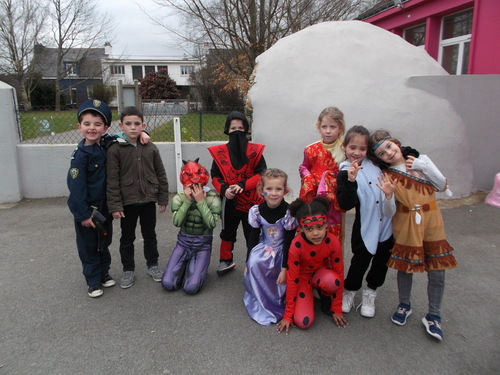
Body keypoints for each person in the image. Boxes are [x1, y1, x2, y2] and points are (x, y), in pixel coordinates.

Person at [371, 129, 457, 341]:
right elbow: (388, 212)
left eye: (389, 147)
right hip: (405, 224)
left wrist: (422, 166)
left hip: (432, 222)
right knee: (405, 267)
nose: (388, 153)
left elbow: (442, 185)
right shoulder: (387, 177)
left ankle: (434, 315)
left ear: (397, 144)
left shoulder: (421, 161)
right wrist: (389, 195)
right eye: (382, 153)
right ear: (380, 158)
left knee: (437, 271)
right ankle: (404, 304)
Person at [67, 99, 149, 298]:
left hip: (105, 207)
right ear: (79, 126)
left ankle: (104, 273)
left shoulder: (107, 143)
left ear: (105, 127)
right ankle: (93, 281)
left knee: (104, 241)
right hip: (89, 210)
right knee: (88, 246)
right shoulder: (80, 156)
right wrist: (83, 215)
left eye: (97, 124)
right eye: (87, 124)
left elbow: (128, 134)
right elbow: (76, 190)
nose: (92, 128)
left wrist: (145, 133)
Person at [107, 106, 169, 289]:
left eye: (136, 124)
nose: (132, 127)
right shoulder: (115, 149)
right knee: (127, 237)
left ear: (143, 125)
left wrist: (163, 198)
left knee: (150, 235)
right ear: (121, 126)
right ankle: (128, 269)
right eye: (128, 124)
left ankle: (153, 265)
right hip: (127, 203)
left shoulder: (150, 147)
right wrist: (115, 205)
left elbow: (161, 174)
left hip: (148, 200)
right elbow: (112, 180)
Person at [336, 126, 394, 318]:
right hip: (365, 225)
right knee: (359, 261)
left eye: (362, 149)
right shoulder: (344, 170)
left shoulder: (377, 163)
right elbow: (345, 203)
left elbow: (395, 151)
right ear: (345, 147)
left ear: (367, 149)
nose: (357, 153)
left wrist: (411, 154)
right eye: (353, 147)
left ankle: (370, 293)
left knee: (381, 263)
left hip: (387, 223)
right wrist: (351, 182)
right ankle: (350, 290)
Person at [207, 111, 267, 275]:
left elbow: (262, 173)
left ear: (246, 129)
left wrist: (243, 185)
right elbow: (215, 175)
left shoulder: (255, 151)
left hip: (251, 201)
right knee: (227, 231)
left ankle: (253, 262)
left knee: (252, 232)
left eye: (240, 127)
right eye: (233, 128)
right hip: (229, 201)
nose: (237, 131)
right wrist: (224, 189)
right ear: (227, 130)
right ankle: (225, 260)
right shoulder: (219, 153)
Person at [277, 196, 347, 335]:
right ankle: (310, 295)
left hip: (320, 273)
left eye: (320, 227)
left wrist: (337, 307)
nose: (315, 233)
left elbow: (339, 272)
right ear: (301, 228)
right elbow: (292, 279)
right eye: (309, 229)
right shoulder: (296, 246)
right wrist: (288, 315)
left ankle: (325, 297)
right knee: (303, 322)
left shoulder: (332, 242)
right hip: (302, 278)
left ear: (326, 224)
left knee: (333, 281)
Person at [243, 169, 298, 325]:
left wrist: (285, 268)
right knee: (255, 263)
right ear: (262, 191)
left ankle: (277, 301)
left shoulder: (288, 213)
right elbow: (253, 238)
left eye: (278, 189)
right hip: (265, 246)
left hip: (283, 250)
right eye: (269, 189)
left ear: (285, 191)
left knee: (279, 271)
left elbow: (289, 240)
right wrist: (247, 261)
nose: (274, 193)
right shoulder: (256, 211)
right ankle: (260, 299)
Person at [162, 159, 221, 295]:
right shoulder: (180, 197)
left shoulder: (212, 198)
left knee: (191, 288)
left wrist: (201, 202)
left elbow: (211, 224)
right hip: (183, 242)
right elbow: (177, 222)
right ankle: (184, 267)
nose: (195, 180)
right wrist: (187, 202)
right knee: (167, 283)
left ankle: (191, 269)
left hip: (203, 244)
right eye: (189, 175)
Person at [299, 107, 346, 244]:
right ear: (319, 127)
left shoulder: (345, 149)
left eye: (333, 126)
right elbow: (304, 167)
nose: (328, 131)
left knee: (334, 235)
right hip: (314, 197)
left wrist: (329, 179)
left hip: (334, 200)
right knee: (313, 229)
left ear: (340, 128)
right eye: (324, 126)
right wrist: (308, 177)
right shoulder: (310, 149)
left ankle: (334, 263)